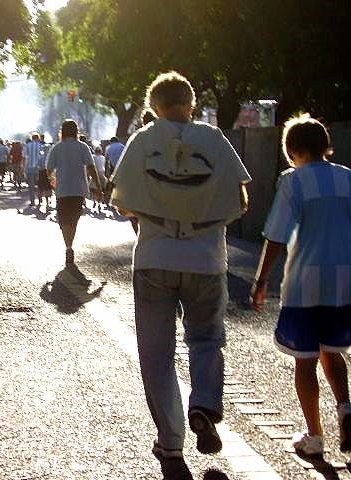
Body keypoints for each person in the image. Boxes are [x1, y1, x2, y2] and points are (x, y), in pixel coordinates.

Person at [111, 71, 251, 460]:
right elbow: (239, 203)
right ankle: (204, 402)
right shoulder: (215, 140)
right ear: (192, 103)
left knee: (156, 353)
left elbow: (123, 201)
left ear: (154, 108)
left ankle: (170, 440)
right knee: (206, 340)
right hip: (206, 261)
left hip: (154, 260)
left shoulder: (142, 140)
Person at [250, 114, 351, 456]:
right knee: (333, 351)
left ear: (291, 150)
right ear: (326, 146)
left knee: (305, 360)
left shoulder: (294, 180)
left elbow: (277, 234)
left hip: (305, 280)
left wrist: (261, 279)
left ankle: (314, 437)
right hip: (343, 281)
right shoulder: (347, 178)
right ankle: (346, 410)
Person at [46, 120, 101, 265]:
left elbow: (49, 168)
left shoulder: (57, 148)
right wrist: (98, 186)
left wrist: (52, 179)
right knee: (74, 219)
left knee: (64, 219)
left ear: (62, 131)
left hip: (62, 189)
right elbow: (91, 167)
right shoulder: (82, 147)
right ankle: (70, 245)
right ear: (76, 131)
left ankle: (68, 247)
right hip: (78, 189)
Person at [24, 133, 44, 207]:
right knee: (40, 184)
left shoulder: (27, 145)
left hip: (30, 167)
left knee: (31, 185)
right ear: (38, 138)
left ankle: (32, 201)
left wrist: (23, 168)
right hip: (39, 167)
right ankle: (40, 199)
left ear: (32, 138)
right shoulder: (41, 146)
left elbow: (24, 157)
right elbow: (43, 157)